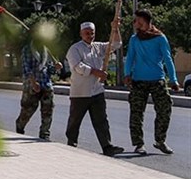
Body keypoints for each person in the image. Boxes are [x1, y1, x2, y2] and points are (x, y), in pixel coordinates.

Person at [124, 9, 180, 155]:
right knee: (136, 112)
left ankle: (160, 140)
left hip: (157, 79)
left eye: (138, 21)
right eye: (135, 21)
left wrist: (173, 80)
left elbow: (168, 59)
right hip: (138, 80)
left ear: (146, 22)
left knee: (165, 108)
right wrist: (127, 74)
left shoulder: (160, 38)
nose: (135, 23)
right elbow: (130, 57)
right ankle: (138, 144)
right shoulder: (134, 39)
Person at [65, 20, 124, 157]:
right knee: (75, 120)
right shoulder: (74, 49)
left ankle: (107, 146)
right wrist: (95, 72)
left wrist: (115, 29)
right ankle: (71, 142)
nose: (90, 36)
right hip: (80, 92)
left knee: (101, 120)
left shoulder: (98, 47)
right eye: (87, 33)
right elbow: (78, 66)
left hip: (96, 90)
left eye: (92, 33)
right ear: (81, 34)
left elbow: (116, 44)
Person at [15, 35, 61, 140]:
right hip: (32, 85)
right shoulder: (27, 50)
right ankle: (20, 125)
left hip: (46, 84)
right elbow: (26, 68)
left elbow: (49, 69)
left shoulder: (46, 51)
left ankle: (44, 135)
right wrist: (33, 83)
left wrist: (56, 67)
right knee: (28, 110)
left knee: (48, 111)